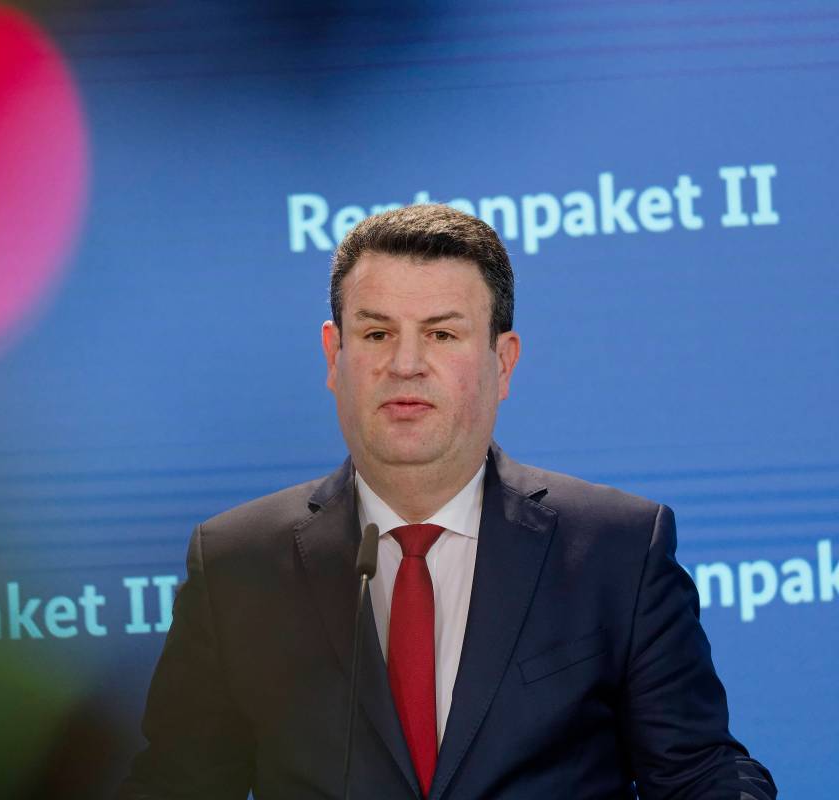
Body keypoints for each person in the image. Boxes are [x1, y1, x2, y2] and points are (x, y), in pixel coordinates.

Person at [118, 204, 776, 799]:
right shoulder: (239, 562)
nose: (406, 364)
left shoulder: (618, 548)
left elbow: (697, 774)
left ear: (503, 362)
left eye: (441, 334)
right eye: (376, 334)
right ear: (333, 356)